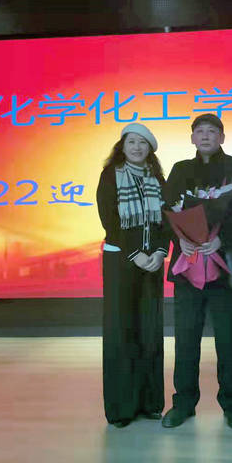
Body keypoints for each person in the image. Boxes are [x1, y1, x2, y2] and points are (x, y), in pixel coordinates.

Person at [161, 113, 232, 430]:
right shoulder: (180, 170)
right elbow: (167, 208)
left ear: (222, 137)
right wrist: (180, 239)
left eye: (212, 131)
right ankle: (183, 403)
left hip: (224, 263)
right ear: (192, 138)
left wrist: (221, 238)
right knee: (186, 337)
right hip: (188, 265)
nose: (205, 136)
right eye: (199, 131)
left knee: (228, 338)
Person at [95, 122, 169, 428]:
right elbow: (110, 220)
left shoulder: (158, 179)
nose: (137, 147)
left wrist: (160, 253)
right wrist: (134, 253)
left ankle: (150, 403)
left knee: (149, 331)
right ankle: (122, 408)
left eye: (143, 143)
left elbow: (166, 221)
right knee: (121, 331)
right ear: (122, 147)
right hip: (121, 262)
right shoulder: (110, 175)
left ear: (150, 149)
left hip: (152, 262)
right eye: (132, 142)